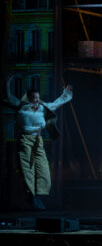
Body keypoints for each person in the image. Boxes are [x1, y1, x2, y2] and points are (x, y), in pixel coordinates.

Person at [3, 76, 73, 210]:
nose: (36, 100)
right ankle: (31, 195)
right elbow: (9, 96)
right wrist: (7, 82)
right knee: (27, 169)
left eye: (37, 97)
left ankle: (38, 195)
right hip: (25, 139)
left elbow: (57, 103)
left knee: (43, 168)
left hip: (37, 140)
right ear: (29, 98)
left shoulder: (42, 108)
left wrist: (66, 94)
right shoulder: (21, 106)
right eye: (33, 97)